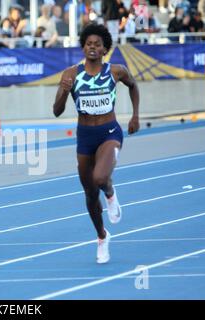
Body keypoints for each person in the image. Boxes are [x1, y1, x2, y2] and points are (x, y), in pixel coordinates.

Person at [52, 23, 140, 264]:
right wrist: (62, 91)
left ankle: (110, 193)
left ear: (105, 49)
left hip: (109, 131)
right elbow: (57, 111)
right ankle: (102, 237)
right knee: (90, 193)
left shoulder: (116, 71)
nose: (93, 47)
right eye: (89, 44)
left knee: (100, 179)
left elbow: (134, 86)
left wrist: (135, 115)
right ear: (83, 47)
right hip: (85, 135)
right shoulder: (71, 74)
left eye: (97, 44)